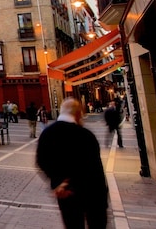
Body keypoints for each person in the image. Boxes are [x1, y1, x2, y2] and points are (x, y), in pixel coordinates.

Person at [35, 98, 108, 229]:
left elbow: (41, 162)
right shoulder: (85, 135)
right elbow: (93, 168)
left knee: (73, 224)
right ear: (78, 114)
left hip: (66, 194)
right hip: (92, 194)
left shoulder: (47, 134)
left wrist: (60, 182)